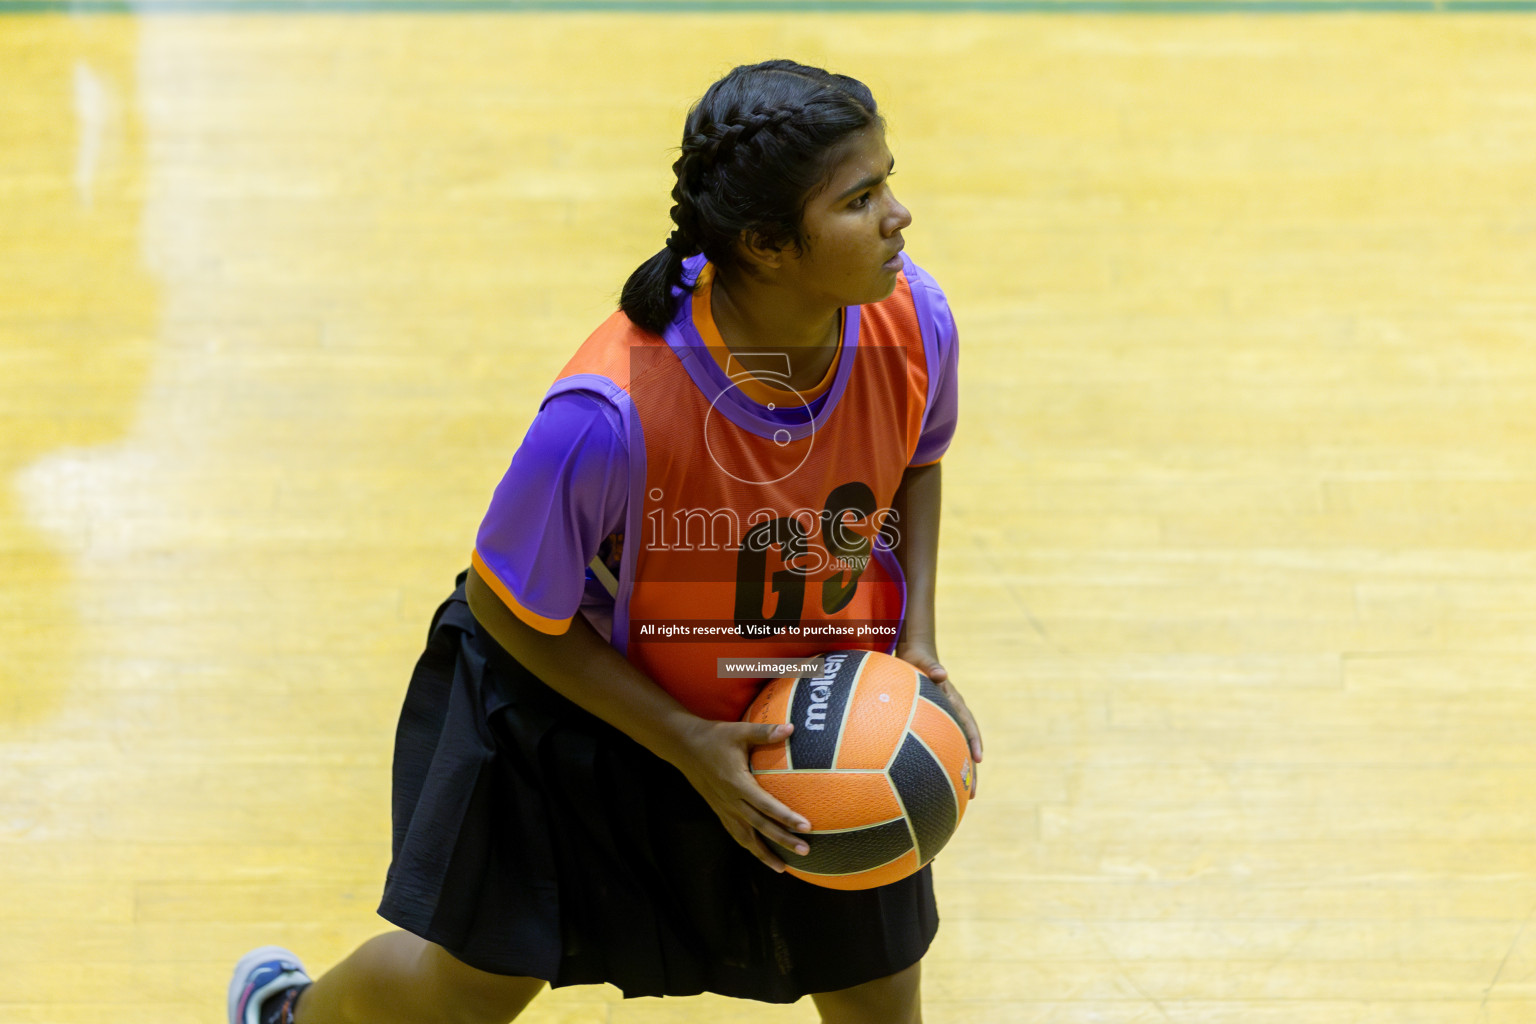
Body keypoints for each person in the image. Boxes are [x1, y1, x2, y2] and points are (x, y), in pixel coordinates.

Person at [228, 58, 982, 1024]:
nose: (899, 216)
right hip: (591, 706)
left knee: (879, 991)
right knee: (467, 986)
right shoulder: (608, 412)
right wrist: (684, 743)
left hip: (795, 707)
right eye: (862, 197)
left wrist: (914, 638)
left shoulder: (913, 322)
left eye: (890, 181)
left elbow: (918, 456)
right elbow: (505, 603)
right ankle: (288, 1014)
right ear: (765, 244)